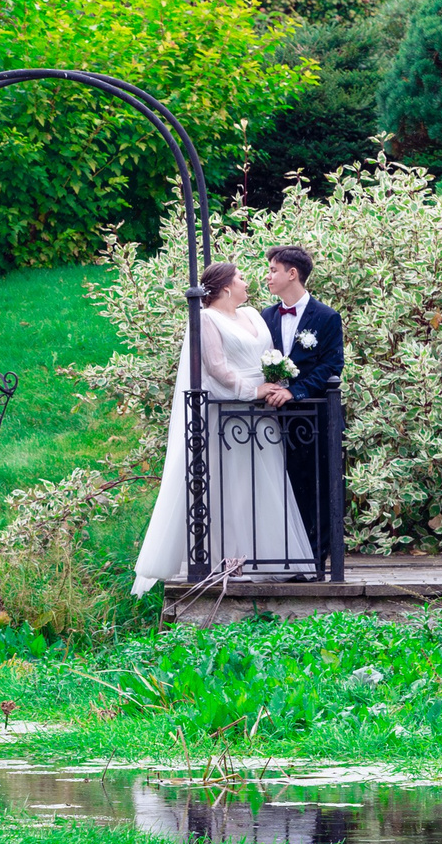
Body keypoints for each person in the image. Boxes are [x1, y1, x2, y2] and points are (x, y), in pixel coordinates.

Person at [132, 262, 314, 594]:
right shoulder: (206, 320)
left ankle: (269, 555)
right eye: (241, 278)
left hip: (261, 417)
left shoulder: (254, 316)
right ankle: (231, 559)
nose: (248, 282)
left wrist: (274, 382)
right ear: (226, 287)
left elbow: (269, 354)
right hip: (229, 416)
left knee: (263, 482)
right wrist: (252, 390)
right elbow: (216, 368)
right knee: (231, 485)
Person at [258, 244, 344, 561]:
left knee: (317, 488)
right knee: (282, 488)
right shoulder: (265, 317)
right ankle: (285, 554)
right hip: (273, 421)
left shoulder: (326, 317)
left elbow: (331, 366)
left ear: (292, 274)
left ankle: (317, 560)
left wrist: (296, 391)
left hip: (315, 420)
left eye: (273, 270)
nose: (267, 277)